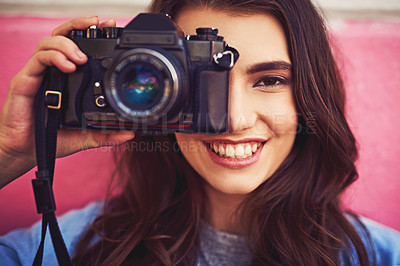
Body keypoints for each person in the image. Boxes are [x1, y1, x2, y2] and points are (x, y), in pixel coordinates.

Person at [0, 0, 399, 265]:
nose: (234, 120)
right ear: (144, 87)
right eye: (202, 81)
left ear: (310, 94)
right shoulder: (74, 244)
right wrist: (11, 154)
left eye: (270, 80)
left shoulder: (381, 256)